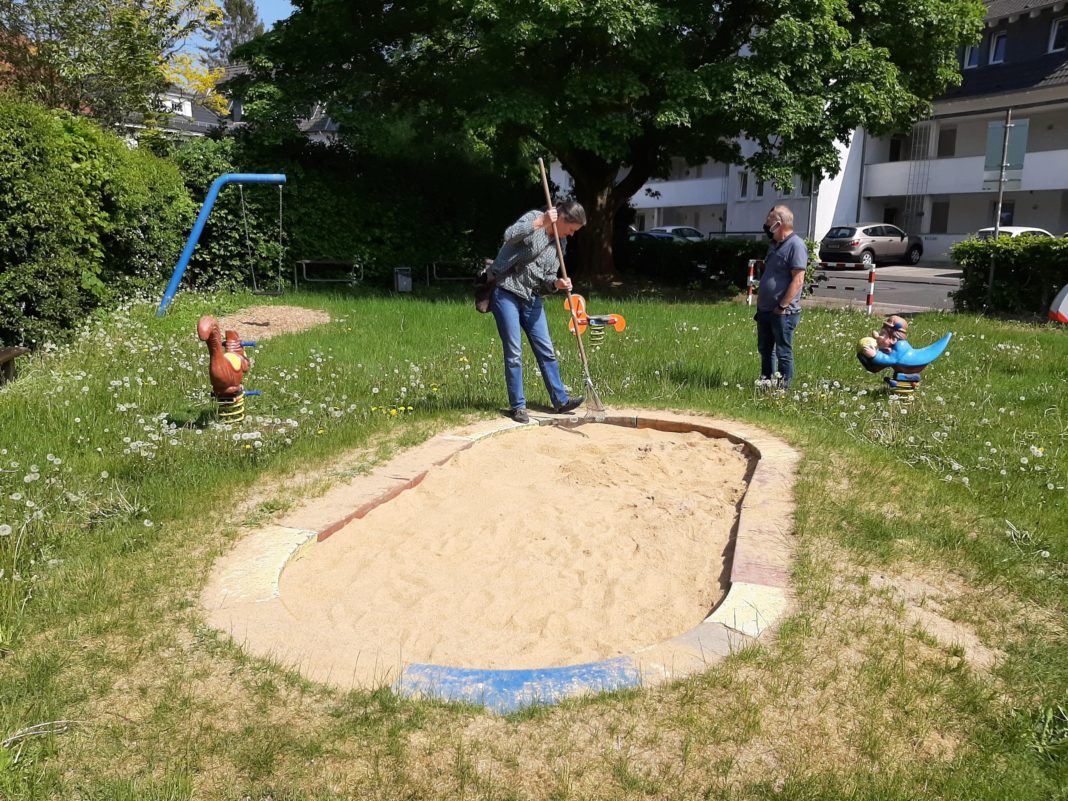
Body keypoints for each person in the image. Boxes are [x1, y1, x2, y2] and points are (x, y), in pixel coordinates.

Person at [488, 201, 587, 423]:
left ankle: (560, 401)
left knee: (546, 350)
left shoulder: (560, 244)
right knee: (514, 351)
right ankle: (518, 407)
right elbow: (509, 235)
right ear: (561, 219)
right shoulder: (536, 218)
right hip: (506, 292)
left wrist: (557, 285)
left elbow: (547, 279)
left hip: (532, 298)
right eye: (571, 230)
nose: (570, 235)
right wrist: (539, 222)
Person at [755, 205, 807, 390]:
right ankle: (766, 385)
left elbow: (798, 279)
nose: (766, 226)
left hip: (782, 313)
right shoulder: (774, 245)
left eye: (769, 223)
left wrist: (782, 306)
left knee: (783, 352)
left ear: (779, 224)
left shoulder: (796, 245)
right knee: (765, 350)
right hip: (765, 311)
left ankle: (782, 390)